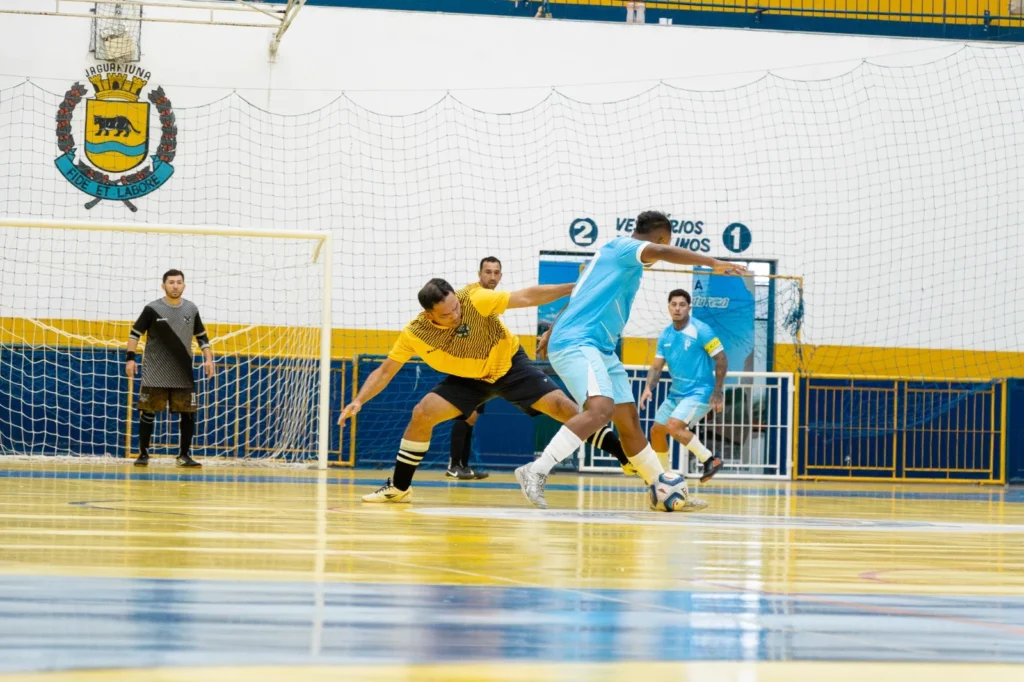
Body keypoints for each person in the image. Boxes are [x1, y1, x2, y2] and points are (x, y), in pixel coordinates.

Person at [517, 210, 748, 508]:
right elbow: (662, 252)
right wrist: (713, 263)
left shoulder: (611, 259)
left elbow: (579, 295)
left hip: (598, 347)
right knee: (601, 410)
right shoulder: (624, 248)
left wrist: (551, 327)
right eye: (664, 242)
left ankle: (661, 487)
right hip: (578, 342)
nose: (662, 248)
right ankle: (535, 470)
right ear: (661, 237)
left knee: (629, 423)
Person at [338, 278, 634, 503]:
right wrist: (359, 400)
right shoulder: (415, 333)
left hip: (509, 367)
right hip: (468, 379)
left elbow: (527, 296)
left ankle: (626, 457)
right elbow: (386, 370)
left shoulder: (475, 298)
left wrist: (575, 286)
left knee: (564, 408)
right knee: (422, 413)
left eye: (456, 306)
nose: (456, 314)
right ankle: (400, 488)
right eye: (447, 314)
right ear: (430, 315)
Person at [125, 269, 214, 467]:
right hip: (155, 372)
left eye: (179, 282)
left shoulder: (191, 309)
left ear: (184, 285)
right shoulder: (152, 309)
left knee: (188, 414)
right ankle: (143, 454)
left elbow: (202, 337)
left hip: (182, 372)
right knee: (147, 412)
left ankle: (184, 455)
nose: (175, 286)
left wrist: (209, 359)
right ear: (163, 285)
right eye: (171, 282)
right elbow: (134, 334)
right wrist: (130, 359)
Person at [638, 289, 726, 482]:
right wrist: (647, 388)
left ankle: (711, 459)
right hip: (676, 394)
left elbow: (721, 359)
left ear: (689, 308)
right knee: (656, 431)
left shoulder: (701, 330)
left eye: (682, 304)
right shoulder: (666, 335)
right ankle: (663, 475)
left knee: (674, 426)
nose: (677, 308)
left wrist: (718, 391)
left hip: (700, 392)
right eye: (674, 304)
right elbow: (656, 367)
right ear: (669, 307)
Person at [446, 256, 504, 480]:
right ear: (479, 274)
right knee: (465, 415)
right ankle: (454, 465)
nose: (492, 276)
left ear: (500, 276)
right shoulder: (467, 297)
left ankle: (463, 465)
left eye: (495, 272)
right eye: (487, 272)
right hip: (464, 365)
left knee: (472, 417)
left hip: (482, 368)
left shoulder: (493, 301)